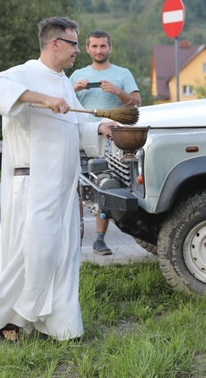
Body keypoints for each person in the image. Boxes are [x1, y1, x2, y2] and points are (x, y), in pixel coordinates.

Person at [0, 16, 116, 342]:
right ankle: (10, 319)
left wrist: (98, 128)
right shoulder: (23, 73)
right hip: (31, 184)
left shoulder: (64, 81)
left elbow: (73, 125)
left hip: (63, 187)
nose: (77, 53)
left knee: (63, 254)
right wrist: (42, 99)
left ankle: (59, 326)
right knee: (29, 253)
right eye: (73, 44)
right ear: (55, 43)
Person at [69, 30, 141, 256]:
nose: (99, 50)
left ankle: (99, 240)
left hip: (110, 139)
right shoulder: (77, 75)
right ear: (87, 49)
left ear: (110, 48)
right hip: (81, 137)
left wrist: (117, 91)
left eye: (103, 46)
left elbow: (137, 104)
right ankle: (75, 238)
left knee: (105, 186)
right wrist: (74, 89)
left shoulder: (122, 74)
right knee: (77, 188)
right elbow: (62, 104)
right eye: (94, 46)